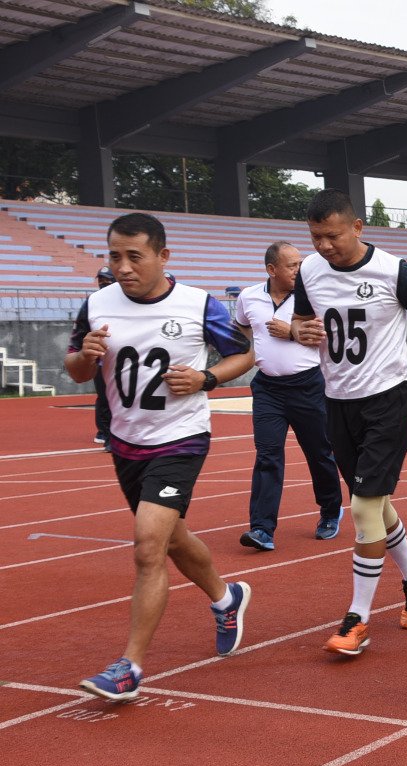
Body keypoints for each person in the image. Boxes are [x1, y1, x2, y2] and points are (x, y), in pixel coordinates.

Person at [65, 213, 256, 701]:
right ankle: (226, 597)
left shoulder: (198, 304)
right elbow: (77, 371)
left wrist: (206, 378)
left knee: (148, 546)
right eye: (114, 256)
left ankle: (128, 667)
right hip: (126, 442)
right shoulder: (97, 303)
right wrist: (85, 355)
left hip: (181, 438)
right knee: (173, 539)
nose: (123, 267)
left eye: (135, 256)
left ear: (163, 256)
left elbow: (243, 354)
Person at [290, 190, 407, 656]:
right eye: (316, 237)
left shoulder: (393, 270)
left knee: (361, 508)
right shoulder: (310, 271)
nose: (324, 246)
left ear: (357, 228)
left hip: (387, 400)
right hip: (338, 401)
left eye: (332, 236)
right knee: (374, 503)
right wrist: (300, 332)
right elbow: (300, 324)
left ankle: (357, 619)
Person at [234, 241, 344, 551]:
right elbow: (243, 326)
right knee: (267, 455)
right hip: (267, 388)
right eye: (292, 265)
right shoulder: (248, 297)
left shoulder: (313, 297)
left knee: (319, 453)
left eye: (300, 264)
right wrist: (258, 349)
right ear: (272, 269)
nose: (299, 269)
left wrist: (291, 332)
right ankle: (262, 528)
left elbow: (329, 337)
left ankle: (330, 511)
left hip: (308, 386)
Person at [91, 266, 114, 449]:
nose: (103, 283)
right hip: (100, 360)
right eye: (101, 280)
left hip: (119, 359)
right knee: (104, 397)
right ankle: (105, 434)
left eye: (107, 280)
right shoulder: (93, 304)